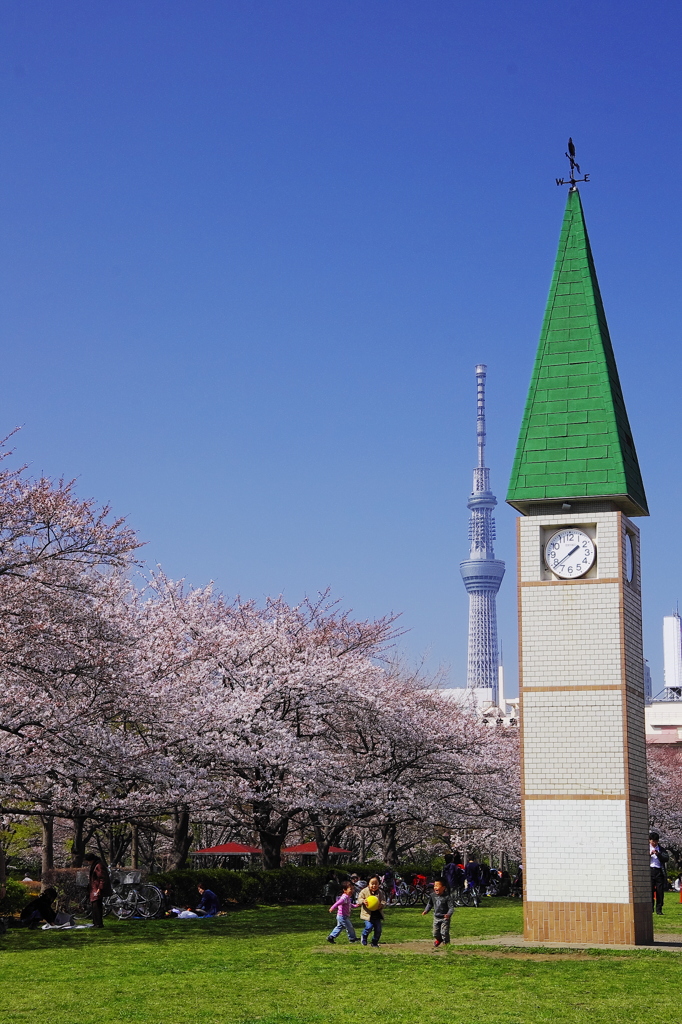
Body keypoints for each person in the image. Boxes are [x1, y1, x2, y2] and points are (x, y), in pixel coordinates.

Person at [422, 878, 455, 947]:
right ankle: (439, 939)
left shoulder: (447, 897)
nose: (435, 887)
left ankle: (446, 944)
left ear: (443, 888)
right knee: (435, 933)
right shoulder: (432, 896)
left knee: (444, 932)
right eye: (434, 886)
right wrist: (426, 910)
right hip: (436, 917)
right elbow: (430, 904)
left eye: (437, 885)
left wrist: (448, 914)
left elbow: (451, 908)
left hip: (444, 918)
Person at [84, 852, 112, 928]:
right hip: (94, 887)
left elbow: (102, 878)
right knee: (95, 905)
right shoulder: (96, 865)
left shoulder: (98, 866)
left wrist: (100, 888)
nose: (87, 863)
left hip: (96, 888)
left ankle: (98, 923)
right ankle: (96, 922)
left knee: (97, 906)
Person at [357, 876, 386, 947]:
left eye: (376, 884)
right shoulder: (364, 891)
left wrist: (381, 905)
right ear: (368, 884)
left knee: (378, 930)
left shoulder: (380, 892)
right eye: (372, 883)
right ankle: (364, 936)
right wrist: (363, 901)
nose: (374, 885)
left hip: (377, 914)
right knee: (369, 927)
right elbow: (359, 899)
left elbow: (384, 901)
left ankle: (374, 942)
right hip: (368, 915)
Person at [650, 831, 669, 916]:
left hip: (659, 871)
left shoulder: (661, 849)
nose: (654, 843)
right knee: (650, 891)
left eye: (656, 841)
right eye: (653, 841)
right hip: (649, 871)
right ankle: (650, 908)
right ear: (649, 840)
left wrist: (658, 854)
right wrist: (649, 854)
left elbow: (666, 858)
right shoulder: (646, 848)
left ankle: (659, 909)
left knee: (659, 891)